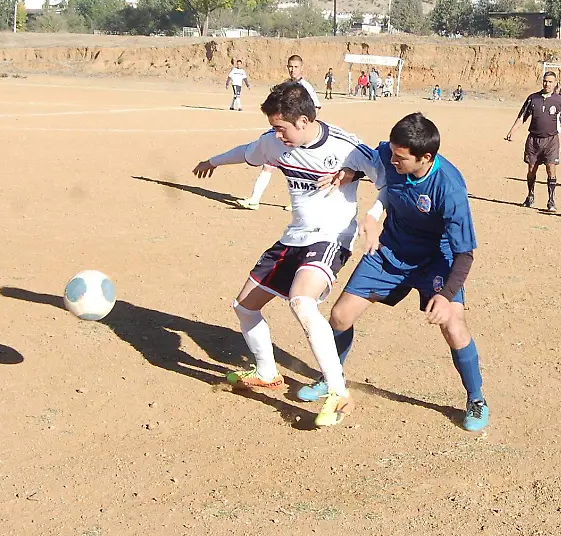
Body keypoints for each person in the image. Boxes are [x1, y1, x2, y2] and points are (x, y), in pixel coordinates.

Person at [191, 82, 381, 427]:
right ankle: (266, 372)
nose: (276, 135)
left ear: (305, 121)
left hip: (331, 237)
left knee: (302, 301)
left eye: (281, 128)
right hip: (293, 237)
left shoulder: (346, 146)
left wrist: (363, 192)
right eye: (273, 128)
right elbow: (249, 150)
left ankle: (338, 393)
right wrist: (213, 161)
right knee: (244, 306)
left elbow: (388, 179)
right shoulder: (274, 141)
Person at [301, 113, 488, 431]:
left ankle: (476, 398)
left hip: (436, 259)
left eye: (400, 158)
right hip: (390, 250)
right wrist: (349, 173)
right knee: (340, 316)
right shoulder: (389, 154)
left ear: (425, 157)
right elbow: (366, 161)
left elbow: (464, 254)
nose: (392, 160)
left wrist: (445, 296)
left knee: (453, 325)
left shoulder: (450, 188)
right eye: (391, 153)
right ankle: (332, 377)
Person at [237, 55, 321, 210]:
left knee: (298, 168)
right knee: (269, 164)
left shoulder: (306, 87)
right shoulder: (287, 85)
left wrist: (300, 129)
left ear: (302, 68)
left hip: (296, 135)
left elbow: (315, 108)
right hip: (283, 135)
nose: (292, 69)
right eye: (290, 66)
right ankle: (255, 199)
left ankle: (299, 202)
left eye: (296, 67)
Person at [505, 71, 561, 212]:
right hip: (533, 140)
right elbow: (522, 116)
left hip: (551, 140)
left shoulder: (560, 100)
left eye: (550, 82)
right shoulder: (533, 98)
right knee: (531, 170)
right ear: (543, 82)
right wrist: (512, 131)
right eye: (545, 81)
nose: (547, 84)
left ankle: (551, 200)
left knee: (551, 169)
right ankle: (530, 196)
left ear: (555, 83)